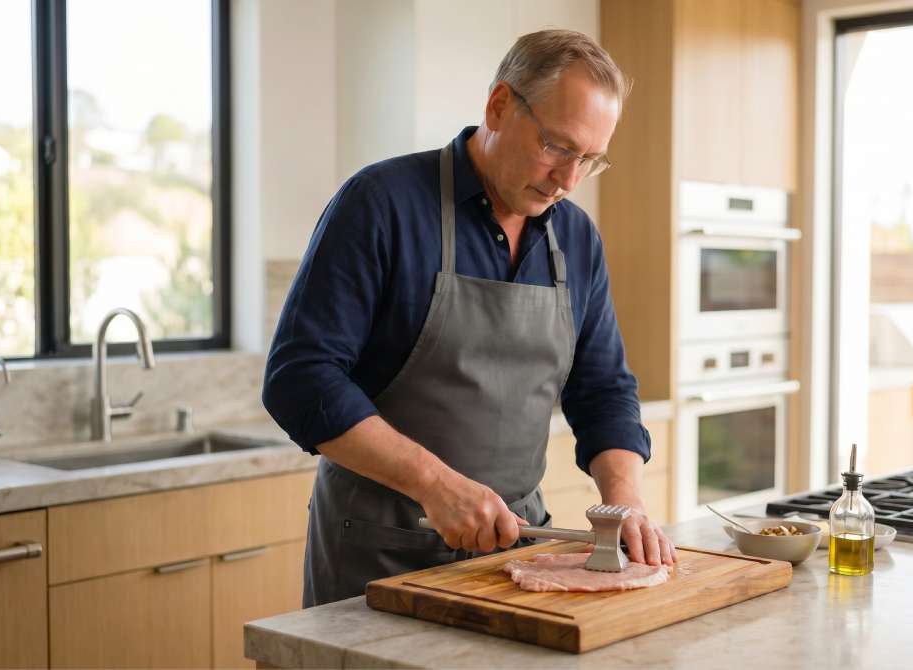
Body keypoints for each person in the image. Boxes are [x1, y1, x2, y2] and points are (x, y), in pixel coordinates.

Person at [263, 29, 676, 607]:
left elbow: (603, 389)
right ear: (499, 105)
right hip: (377, 557)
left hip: (516, 551)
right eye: (558, 147)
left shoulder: (577, 238)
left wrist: (624, 500)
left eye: (590, 159)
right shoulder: (380, 204)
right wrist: (435, 485)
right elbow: (300, 379)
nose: (569, 181)